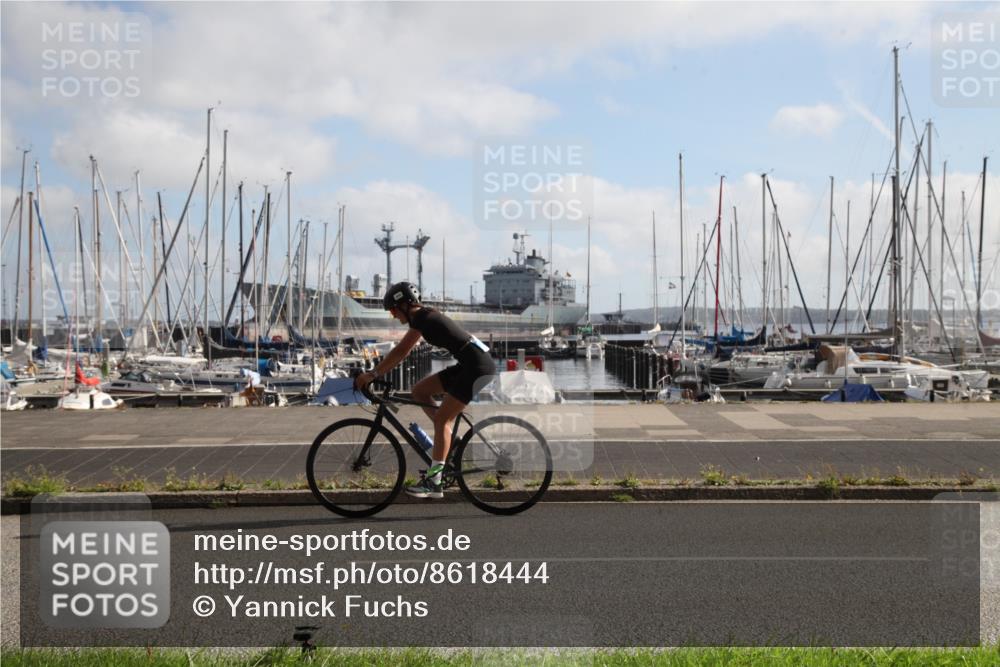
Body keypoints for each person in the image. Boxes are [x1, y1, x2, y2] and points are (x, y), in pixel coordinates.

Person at [355, 282, 495, 498]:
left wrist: (372, 374)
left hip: (477, 367)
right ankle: (448, 439)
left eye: (393, 309)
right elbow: (402, 352)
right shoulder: (425, 316)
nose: (392, 315)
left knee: (440, 419)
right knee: (419, 391)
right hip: (468, 363)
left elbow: (402, 350)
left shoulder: (421, 317)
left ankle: (434, 482)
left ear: (404, 304)